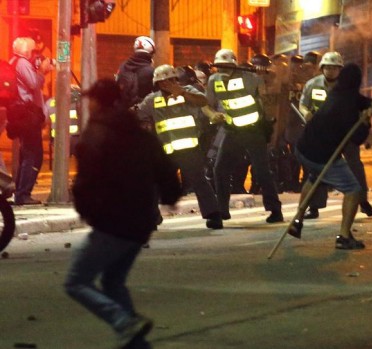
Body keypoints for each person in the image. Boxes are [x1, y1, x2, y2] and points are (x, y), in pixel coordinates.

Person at [64, 79, 181, 348]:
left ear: (97, 101)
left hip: (112, 222)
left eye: (91, 99)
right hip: (141, 221)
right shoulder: (138, 132)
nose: (89, 104)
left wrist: (86, 210)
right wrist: (170, 197)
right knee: (113, 282)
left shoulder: (97, 132)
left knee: (76, 282)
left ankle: (122, 320)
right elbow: (164, 166)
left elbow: (86, 180)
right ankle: (137, 343)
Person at [288, 63, 372, 249]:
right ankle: (344, 237)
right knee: (353, 190)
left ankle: (297, 221)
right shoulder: (346, 107)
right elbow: (358, 137)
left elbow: (358, 100)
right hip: (322, 154)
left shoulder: (338, 93)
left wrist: (371, 105)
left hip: (304, 147)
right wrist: (367, 124)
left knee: (314, 178)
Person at [137, 64, 223, 229]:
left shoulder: (188, 91)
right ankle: (152, 218)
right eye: (162, 82)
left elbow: (203, 101)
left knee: (198, 180)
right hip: (167, 151)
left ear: (175, 79)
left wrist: (183, 93)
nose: (166, 84)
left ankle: (213, 215)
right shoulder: (152, 100)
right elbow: (139, 112)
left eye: (169, 80)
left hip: (189, 149)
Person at [204, 48, 283, 224]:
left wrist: (266, 76)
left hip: (253, 129)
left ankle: (275, 210)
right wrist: (212, 115)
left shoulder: (251, 78)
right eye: (220, 67)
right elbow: (207, 104)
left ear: (234, 65)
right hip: (231, 129)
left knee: (262, 170)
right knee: (220, 169)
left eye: (227, 66)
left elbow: (272, 88)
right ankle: (222, 211)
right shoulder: (213, 80)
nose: (223, 70)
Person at [299, 51, 372, 219]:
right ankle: (314, 207)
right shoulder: (312, 85)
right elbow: (303, 105)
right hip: (323, 136)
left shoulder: (346, 87)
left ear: (340, 70)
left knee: (355, 165)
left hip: (345, 133)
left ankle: (363, 201)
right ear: (322, 68)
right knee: (318, 172)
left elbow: (359, 109)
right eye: (327, 67)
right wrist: (306, 114)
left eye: (335, 68)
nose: (331, 71)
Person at [8, 37, 52, 205]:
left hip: (21, 114)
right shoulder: (22, 63)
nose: (36, 54)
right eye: (34, 50)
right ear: (26, 51)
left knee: (27, 153)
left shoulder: (14, 62)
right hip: (26, 114)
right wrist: (41, 72)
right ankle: (23, 194)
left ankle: (20, 192)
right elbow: (33, 84)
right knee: (33, 154)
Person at [116, 36, 156, 109]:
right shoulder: (151, 72)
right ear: (151, 53)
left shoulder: (123, 66)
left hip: (122, 112)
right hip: (142, 113)